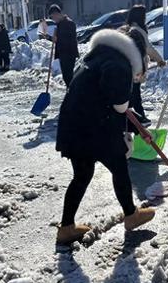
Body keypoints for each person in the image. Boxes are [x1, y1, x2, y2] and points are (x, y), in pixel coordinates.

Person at [55, 28, 156, 245]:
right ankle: (131, 215)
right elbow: (119, 106)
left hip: (74, 124)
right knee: (118, 165)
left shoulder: (98, 55)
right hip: (93, 127)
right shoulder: (118, 64)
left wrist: (139, 128)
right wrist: (137, 129)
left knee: (82, 175)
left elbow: (111, 104)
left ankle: (66, 228)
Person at [122, 5, 166, 125]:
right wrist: (159, 60)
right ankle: (141, 119)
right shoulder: (138, 30)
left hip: (126, 66)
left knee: (131, 95)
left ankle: (132, 118)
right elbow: (148, 48)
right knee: (135, 95)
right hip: (135, 67)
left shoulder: (127, 28)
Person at [48, 4, 79, 87]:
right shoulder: (60, 24)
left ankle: (72, 93)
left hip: (69, 53)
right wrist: (50, 38)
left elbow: (70, 39)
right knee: (66, 76)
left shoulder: (69, 23)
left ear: (57, 14)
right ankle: (70, 92)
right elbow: (58, 39)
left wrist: (57, 39)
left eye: (53, 17)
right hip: (63, 54)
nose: (53, 19)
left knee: (68, 76)